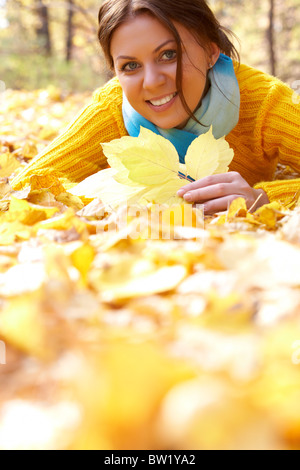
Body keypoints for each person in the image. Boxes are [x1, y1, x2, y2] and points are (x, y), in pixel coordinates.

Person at [11, 0, 300, 214]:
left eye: (168, 54)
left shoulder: (263, 102)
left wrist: (261, 197)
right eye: (131, 65)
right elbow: (25, 189)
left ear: (212, 52)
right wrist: (111, 197)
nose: (151, 82)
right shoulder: (114, 107)